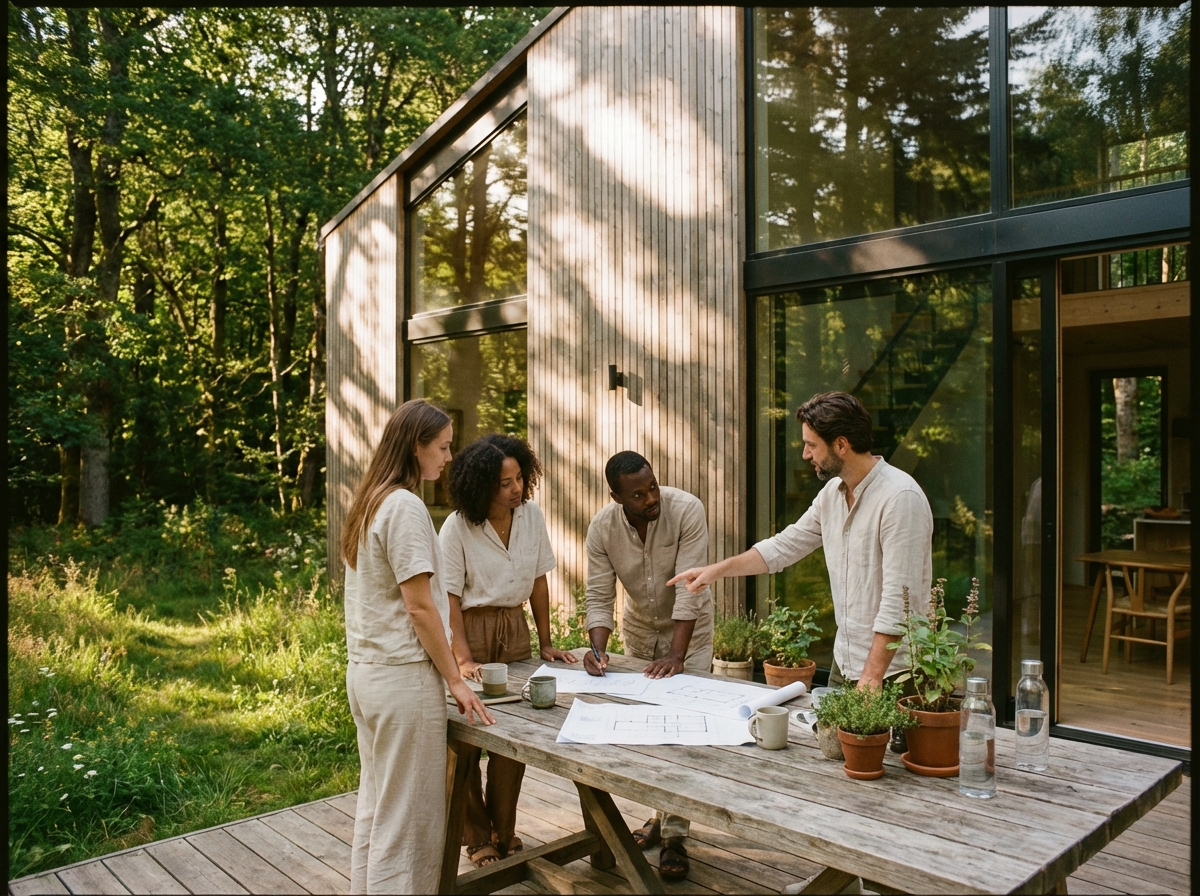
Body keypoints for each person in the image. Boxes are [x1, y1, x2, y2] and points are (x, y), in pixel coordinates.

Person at [671, 391, 932, 692]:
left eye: (812, 445)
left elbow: (899, 601)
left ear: (841, 445)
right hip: (845, 663)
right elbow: (784, 546)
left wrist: (871, 678)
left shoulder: (900, 498)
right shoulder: (832, 494)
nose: (806, 455)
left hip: (894, 674)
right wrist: (716, 570)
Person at [340, 399, 495, 895]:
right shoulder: (404, 506)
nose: (449, 458)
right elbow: (420, 606)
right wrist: (455, 680)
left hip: (367, 675)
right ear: (415, 446)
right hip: (402, 679)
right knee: (407, 823)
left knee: (378, 808)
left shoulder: (371, 501)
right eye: (443, 447)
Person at [440, 433, 579, 867]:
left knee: (513, 737)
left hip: (514, 629)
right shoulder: (457, 527)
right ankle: (476, 836)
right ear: (482, 486)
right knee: (466, 736)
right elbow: (449, 598)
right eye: (504, 483)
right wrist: (462, 658)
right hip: (470, 629)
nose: (516, 488)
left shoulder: (531, 516)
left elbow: (539, 580)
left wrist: (546, 642)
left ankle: (504, 829)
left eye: (519, 478)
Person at [582, 451, 713, 881]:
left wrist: (677, 655)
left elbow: (691, 589)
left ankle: (674, 835)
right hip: (639, 632)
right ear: (616, 497)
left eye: (652, 486)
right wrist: (598, 650)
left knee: (682, 732)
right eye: (638, 494)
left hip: (689, 634)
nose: (651, 497)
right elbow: (599, 595)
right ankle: (658, 818)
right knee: (649, 731)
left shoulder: (687, 510)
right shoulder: (602, 528)